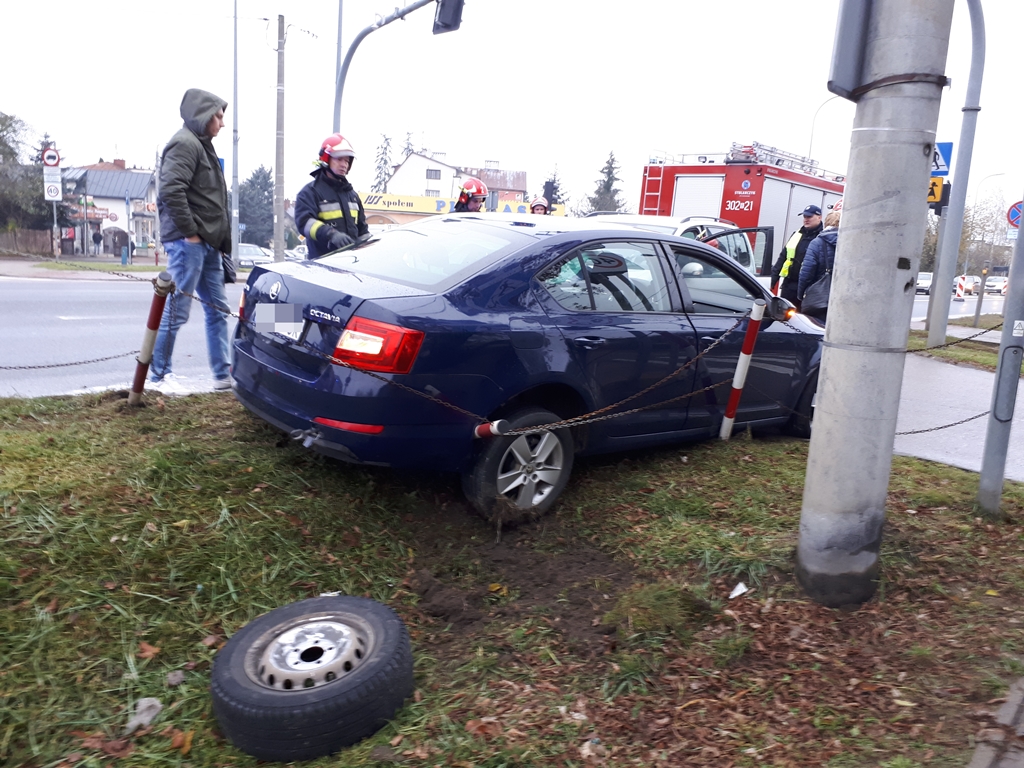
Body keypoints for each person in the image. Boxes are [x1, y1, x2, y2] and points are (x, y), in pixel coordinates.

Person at [150, 88, 233, 393]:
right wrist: (191, 234)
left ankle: (223, 375)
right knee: (177, 310)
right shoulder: (185, 143)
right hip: (190, 243)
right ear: (204, 115)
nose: (222, 123)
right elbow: (171, 191)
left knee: (218, 309)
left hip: (206, 244)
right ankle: (158, 377)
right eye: (219, 116)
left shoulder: (202, 144)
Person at [294, 133, 368, 260]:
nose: (344, 164)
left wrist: (370, 244)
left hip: (352, 264)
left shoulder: (352, 195)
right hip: (323, 265)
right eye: (339, 159)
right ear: (326, 159)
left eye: (347, 160)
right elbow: (304, 223)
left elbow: (362, 230)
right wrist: (331, 234)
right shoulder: (309, 192)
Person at [770, 204, 823, 309]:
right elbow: (783, 257)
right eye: (804, 217)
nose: (806, 219)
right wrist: (772, 281)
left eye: (809, 217)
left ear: (819, 217)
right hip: (789, 286)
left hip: (809, 288)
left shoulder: (822, 237)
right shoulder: (797, 234)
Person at [798, 209, 841, 322]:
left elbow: (806, 272)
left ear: (826, 223)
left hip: (820, 299)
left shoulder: (817, 243)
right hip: (842, 297)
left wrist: (801, 293)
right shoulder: (850, 243)